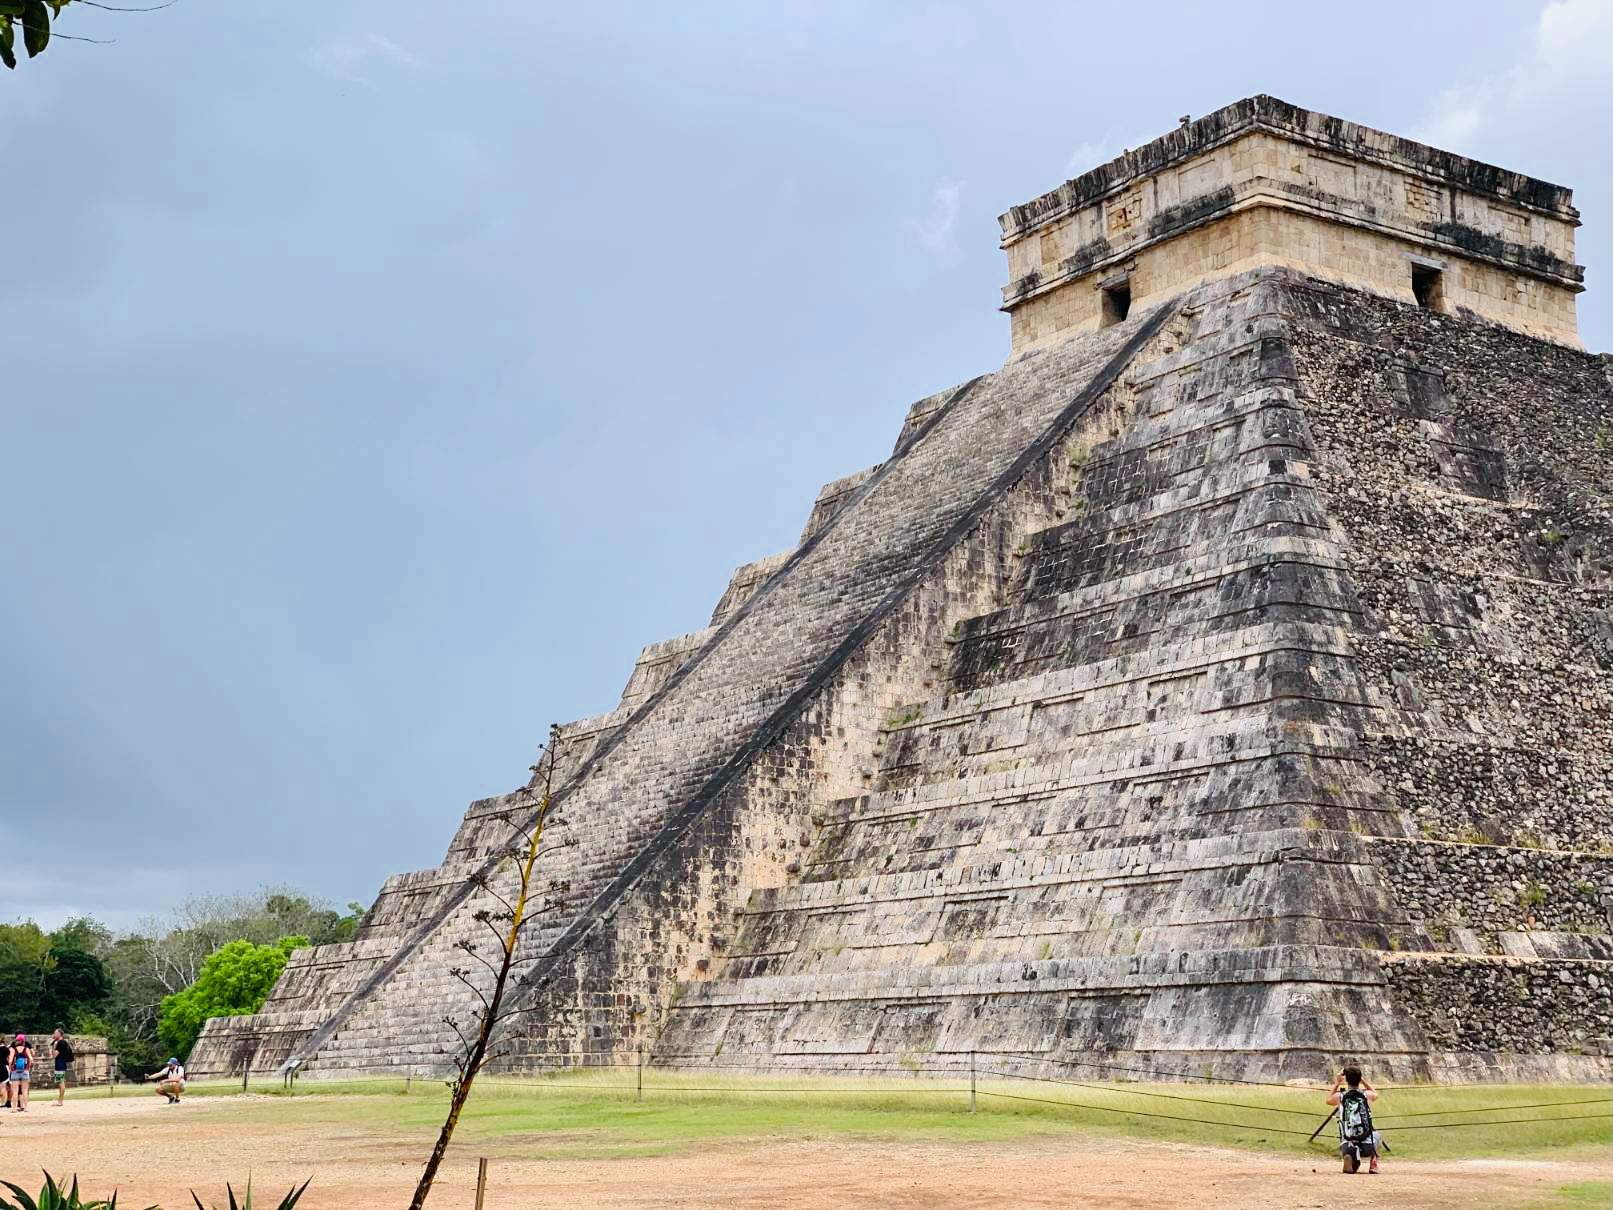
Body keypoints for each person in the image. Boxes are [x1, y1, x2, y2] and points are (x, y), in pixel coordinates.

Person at [1328, 1064, 1381, 1174]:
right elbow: (1376, 1094)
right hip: (1368, 1146)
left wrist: (1337, 1082)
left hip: (1348, 1144)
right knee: (1376, 1135)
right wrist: (1363, 1080)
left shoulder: (1341, 1096)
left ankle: (1351, 1157)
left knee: (1347, 1141)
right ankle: (1373, 1162)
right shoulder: (1366, 1095)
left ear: (1346, 1079)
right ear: (1359, 1078)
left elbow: (1329, 1100)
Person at [9, 1034, 33, 1112]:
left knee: (15, 1091)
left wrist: (10, 1067)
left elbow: (10, 1060)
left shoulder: (13, 1049)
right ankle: (25, 1108)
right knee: (24, 1091)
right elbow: (31, 1059)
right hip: (25, 1071)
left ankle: (14, 1108)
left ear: (17, 1041)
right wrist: (28, 1067)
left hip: (15, 1071)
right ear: (23, 1041)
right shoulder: (26, 1049)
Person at [51, 1029, 74, 1107]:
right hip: (62, 1064)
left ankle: (60, 1101)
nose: (54, 1034)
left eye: (55, 1033)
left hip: (59, 1064)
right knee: (61, 1082)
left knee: (61, 1082)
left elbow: (54, 1055)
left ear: (59, 1034)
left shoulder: (60, 1043)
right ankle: (60, 1100)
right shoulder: (63, 1042)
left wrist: (54, 1046)